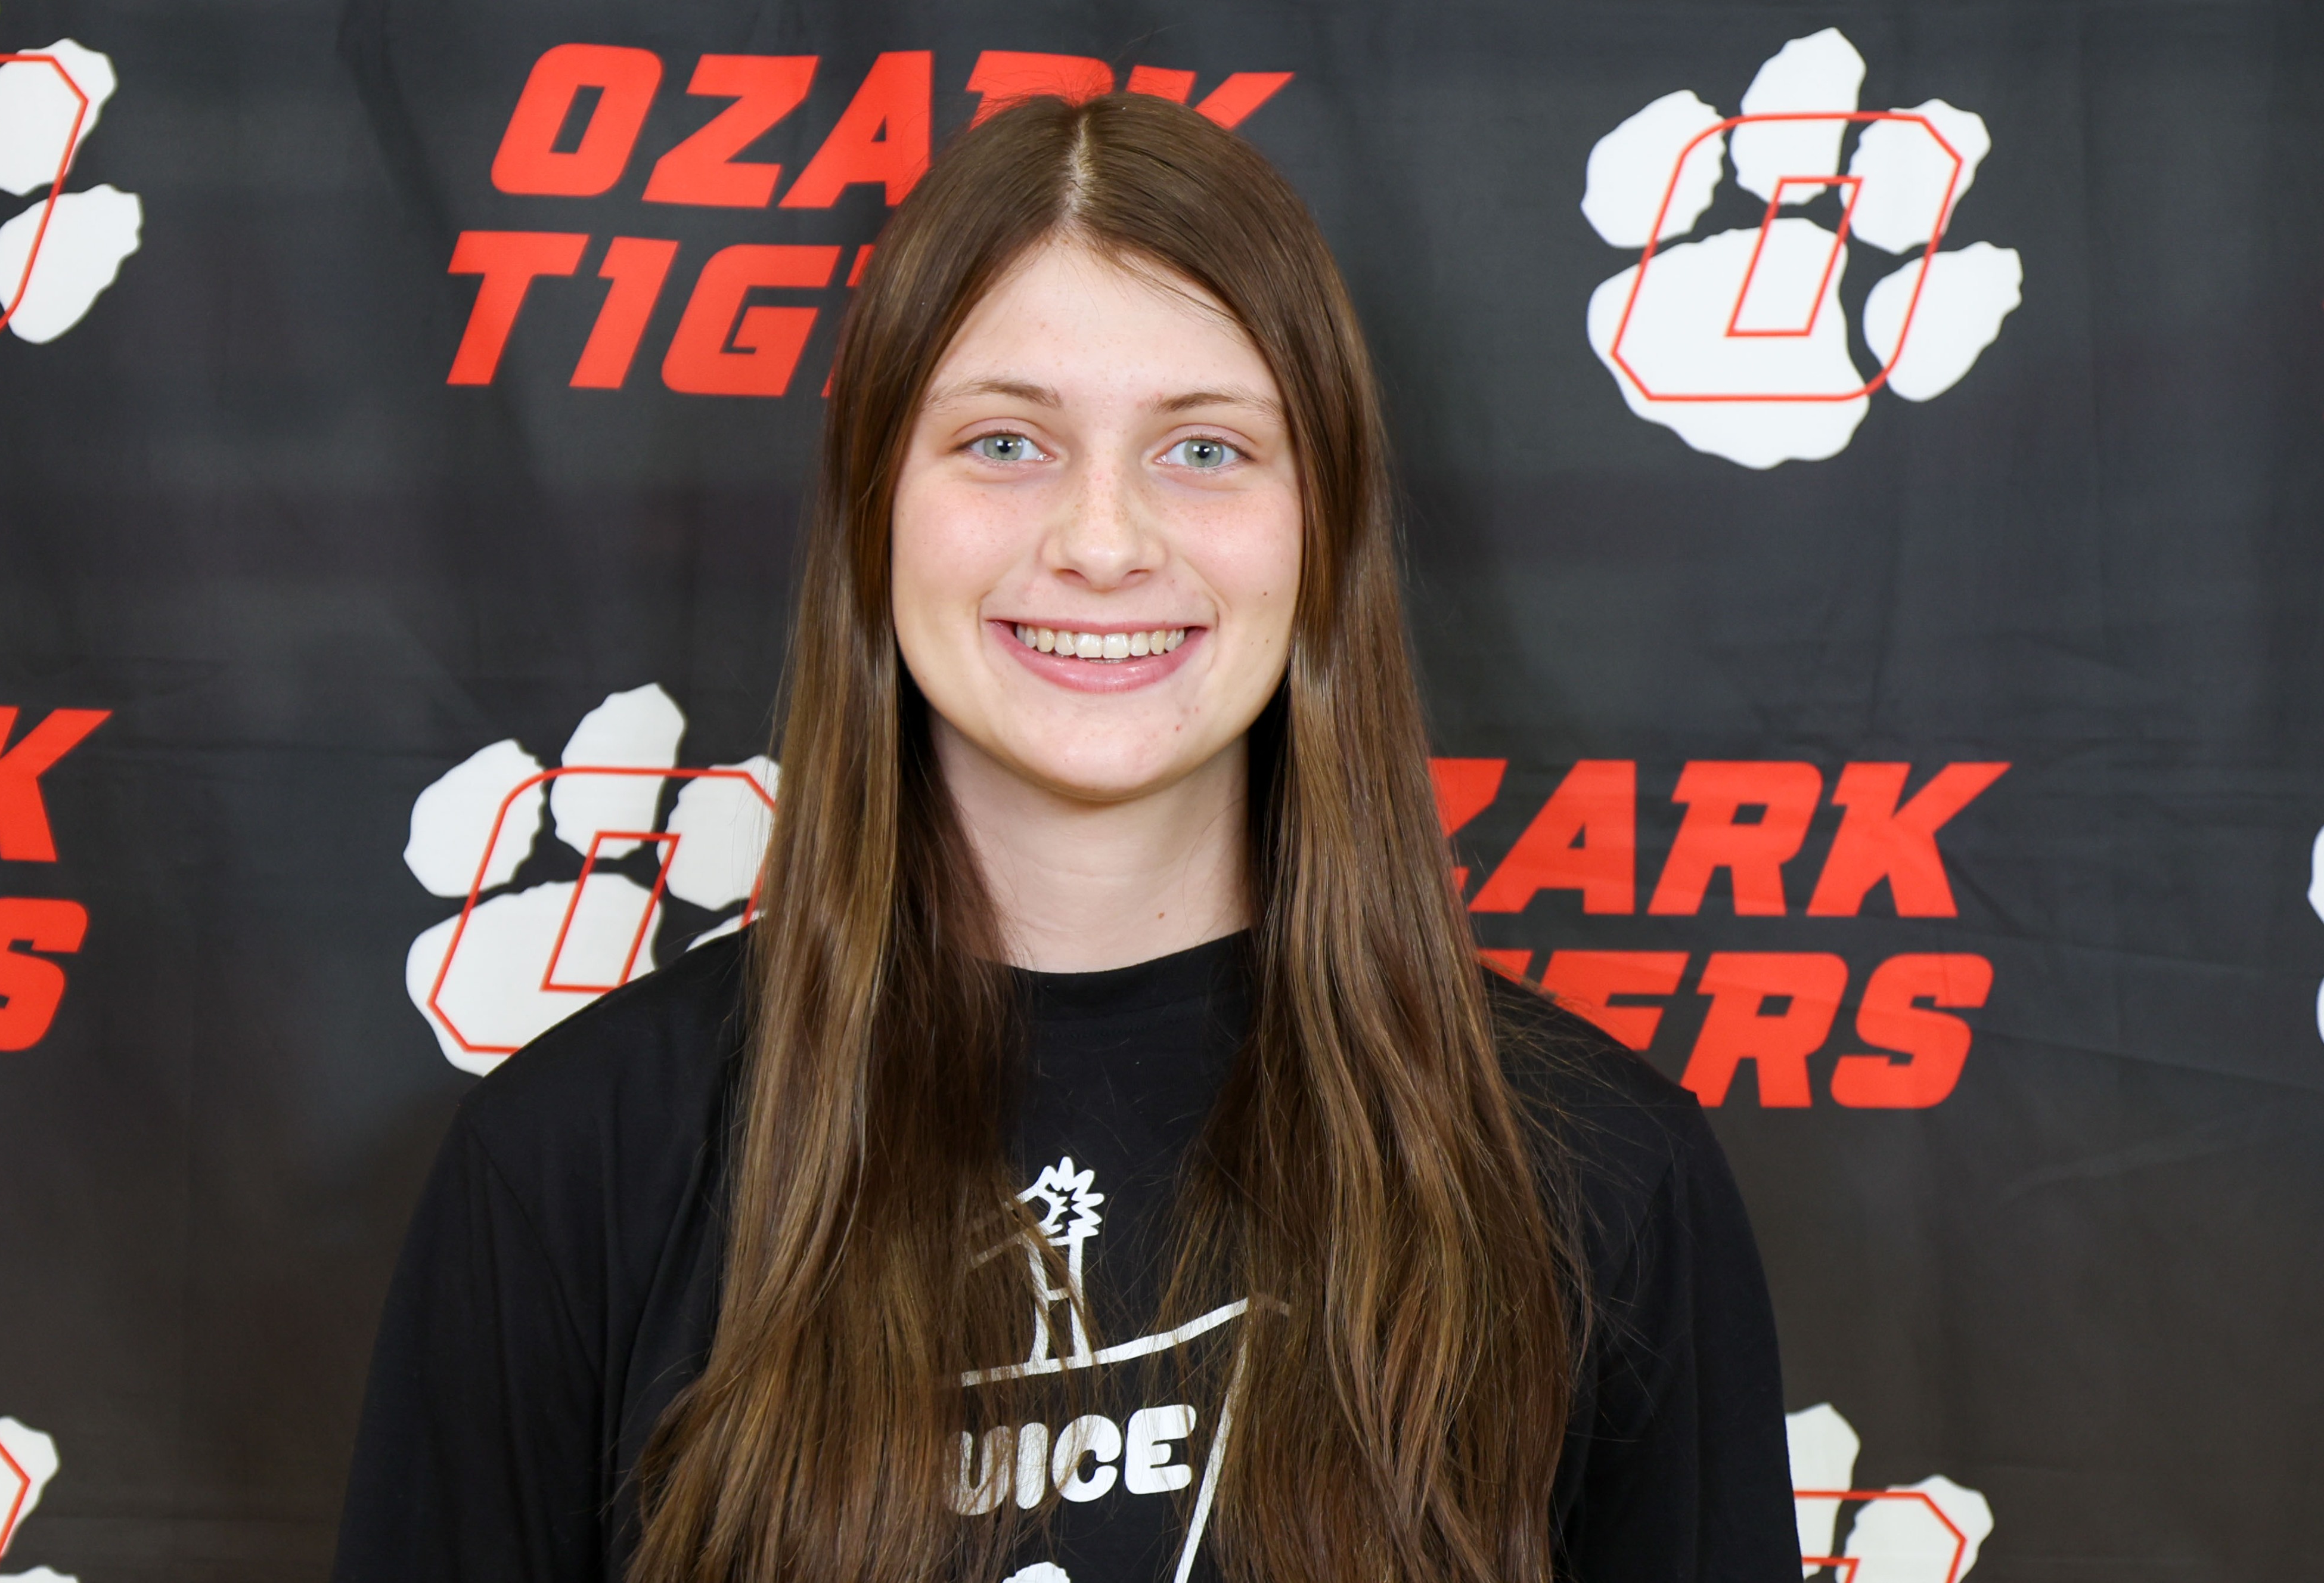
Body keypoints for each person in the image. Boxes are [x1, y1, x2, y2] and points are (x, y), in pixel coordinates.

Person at [331, 92, 1799, 1583]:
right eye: (1004, 442)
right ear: (875, 512)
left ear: (1323, 528)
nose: (1102, 542)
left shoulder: (1594, 1175)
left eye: (1205, 450)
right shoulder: (576, 1165)